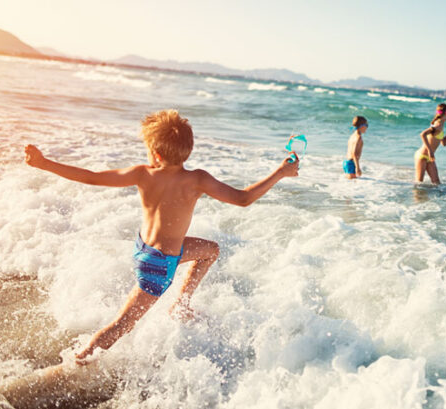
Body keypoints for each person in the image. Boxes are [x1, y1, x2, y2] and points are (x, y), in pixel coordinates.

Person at [23, 109, 298, 364]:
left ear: (155, 153)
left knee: (210, 250)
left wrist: (44, 163)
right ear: (187, 151)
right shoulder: (197, 179)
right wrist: (281, 172)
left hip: (145, 249)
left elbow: (92, 177)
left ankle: (181, 304)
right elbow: (244, 198)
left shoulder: (143, 174)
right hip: (160, 265)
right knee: (122, 325)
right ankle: (79, 360)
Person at [414, 103, 446, 184]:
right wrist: (430, 150)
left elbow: (444, 143)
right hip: (422, 156)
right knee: (419, 183)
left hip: (430, 157)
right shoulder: (438, 124)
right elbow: (423, 134)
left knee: (436, 183)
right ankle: (417, 197)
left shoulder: (442, 125)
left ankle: (432, 197)